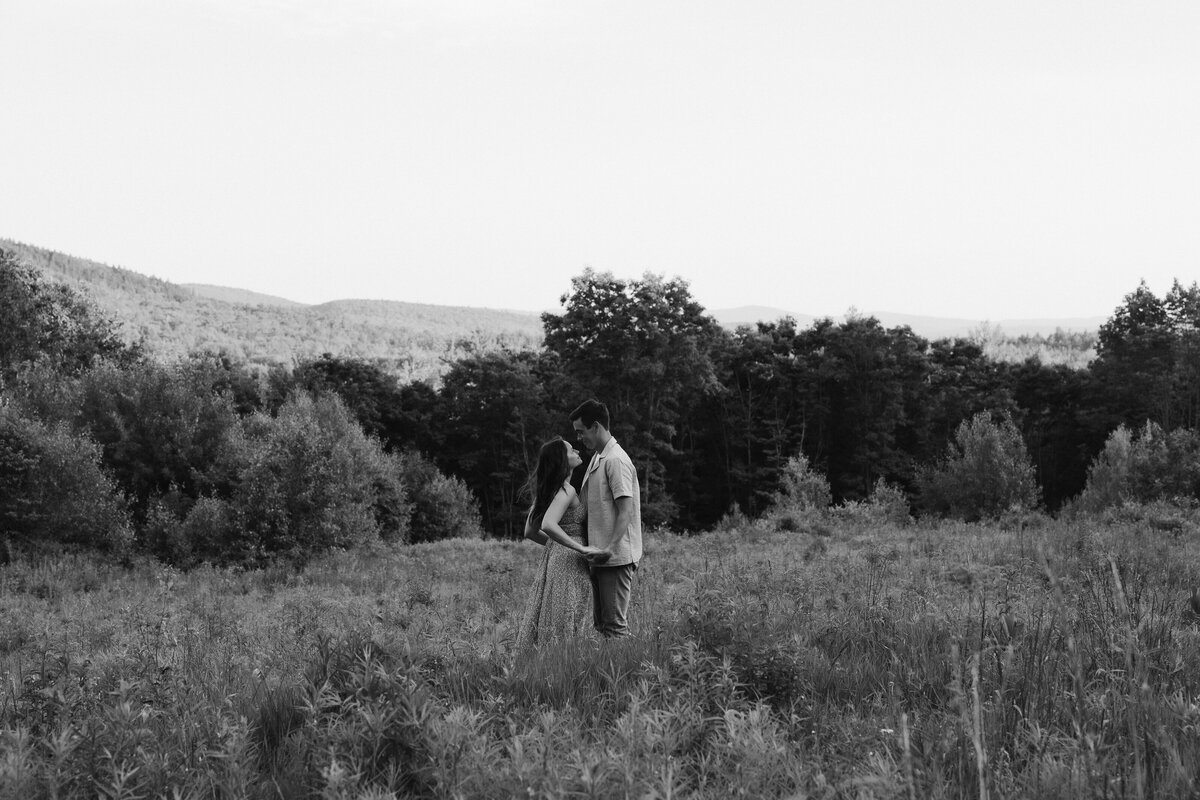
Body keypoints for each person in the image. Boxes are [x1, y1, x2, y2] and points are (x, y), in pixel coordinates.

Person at [514, 437, 612, 650]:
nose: (576, 450)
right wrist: (580, 547)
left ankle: (549, 664)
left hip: (556, 558)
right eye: (570, 449)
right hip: (569, 563)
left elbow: (530, 531)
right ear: (562, 460)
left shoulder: (549, 491)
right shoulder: (566, 491)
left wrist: (556, 545)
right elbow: (548, 524)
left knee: (553, 615)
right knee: (567, 617)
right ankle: (562, 665)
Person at [571, 399, 642, 638]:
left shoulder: (616, 460)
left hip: (614, 557)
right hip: (600, 556)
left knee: (614, 627)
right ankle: (609, 673)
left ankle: (625, 674)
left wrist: (610, 549)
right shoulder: (598, 458)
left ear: (597, 426)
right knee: (602, 625)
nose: (579, 438)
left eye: (581, 432)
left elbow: (626, 511)